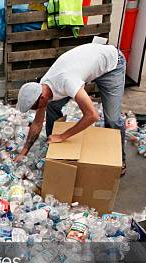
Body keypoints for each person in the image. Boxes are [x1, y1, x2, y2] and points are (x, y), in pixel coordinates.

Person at [15, 43, 127, 175]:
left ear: (42, 97)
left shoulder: (67, 82)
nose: (34, 110)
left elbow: (92, 116)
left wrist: (63, 136)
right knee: (52, 106)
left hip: (112, 64)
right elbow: (37, 123)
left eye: (34, 107)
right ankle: (54, 147)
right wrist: (24, 152)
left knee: (112, 119)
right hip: (90, 63)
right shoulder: (43, 86)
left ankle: (120, 160)